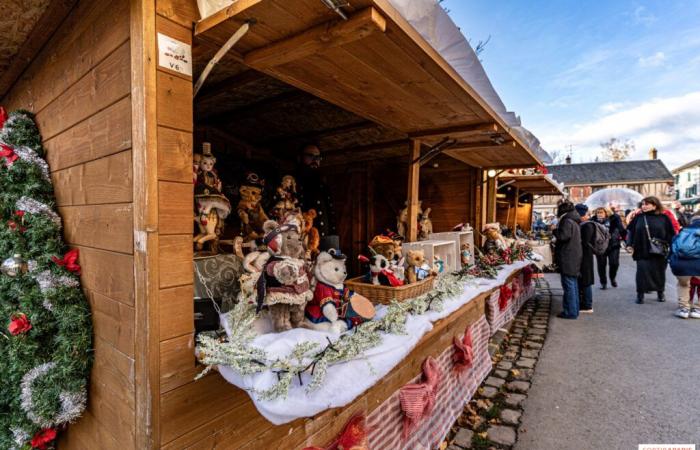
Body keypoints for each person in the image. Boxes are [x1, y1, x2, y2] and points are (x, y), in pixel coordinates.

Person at [626, 196, 677, 304]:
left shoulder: (664, 218)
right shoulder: (638, 217)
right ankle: (640, 294)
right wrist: (629, 244)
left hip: (659, 251)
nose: (644, 206)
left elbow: (670, 234)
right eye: (643, 204)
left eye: (647, 204)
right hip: (641, 249)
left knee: (659, 273)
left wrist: (670, 248)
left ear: (655, 205)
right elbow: (631, 232)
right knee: (641, 273)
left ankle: (660, 292)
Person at [669, 211, 700, 318]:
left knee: (683, 285)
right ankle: (698, 309)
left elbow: (672, 250)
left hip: (682, 266)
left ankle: (684, 309)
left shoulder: (683, 232)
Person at [554, 200, 582, 319]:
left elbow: (563, 236)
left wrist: (554, 231)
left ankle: (570, 312)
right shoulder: (574, 220)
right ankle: (573, 310)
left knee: (569, 285)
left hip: (568, 256)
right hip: (574, 256)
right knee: (573, 284)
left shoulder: (566, 221)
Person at [592, 207, 625, 289]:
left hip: (613, 244)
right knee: (601, 265)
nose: (599, 214)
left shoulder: (614, 219)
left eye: (601, 212)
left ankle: (612, 278)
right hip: (600, 245)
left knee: (614, 263)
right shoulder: (593, 220)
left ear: (606, 213)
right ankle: (603, 282)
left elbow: (621, 229)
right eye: (598, 212)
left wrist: (626, 241)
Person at [576, 204, 595, 313]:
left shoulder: (587, 225)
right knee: (584, 280)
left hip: (585, 256)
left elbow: (584, 243)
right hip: (585, 256)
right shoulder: (585, 224)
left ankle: (587, 305)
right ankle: (585, 303)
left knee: (585, 281)